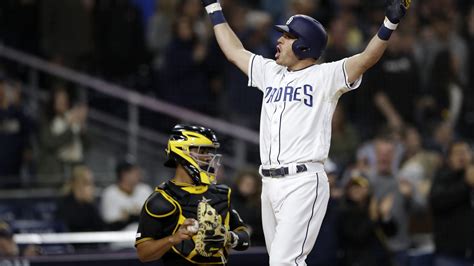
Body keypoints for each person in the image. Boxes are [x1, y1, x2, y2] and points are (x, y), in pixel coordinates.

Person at [200, 0, 411, 264]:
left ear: (304, 45)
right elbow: (233, 50)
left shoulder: (325, 75)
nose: (279, 40)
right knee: (281, 261)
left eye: (287, 36)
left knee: (284, 262)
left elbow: (366, 58)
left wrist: (388, 24)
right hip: (268, 182)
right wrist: (212, 8)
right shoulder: (271, 72)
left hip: (302, 181)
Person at [135, 124, 250, 265]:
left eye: (209, 152)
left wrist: (229, 237)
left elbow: (245, 239)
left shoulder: (221, 193)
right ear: (181, 151)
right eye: (202, 151)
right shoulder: (161, 200)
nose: (208, 157)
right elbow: (143, 254)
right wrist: (173, 239)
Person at [429, 140, 474, 266]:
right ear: (449, 158)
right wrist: (465, 184)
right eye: (457, 153)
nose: (462, 156)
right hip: (450, 255)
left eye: (465, 152)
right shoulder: (442, 177)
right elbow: (437, 202)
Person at [101, 159, 152, 231]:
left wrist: (129, 216)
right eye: (133, 170)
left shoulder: (145, 190)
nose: (138, 172)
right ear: (123, 174)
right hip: (120, 240)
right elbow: (110, 223)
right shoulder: (110, 193)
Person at [56, 165, 104, 233]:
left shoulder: (89, 206)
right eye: (88, 183)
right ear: (77, 184)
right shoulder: (64, 205)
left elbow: (101, 228)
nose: (92, 188)